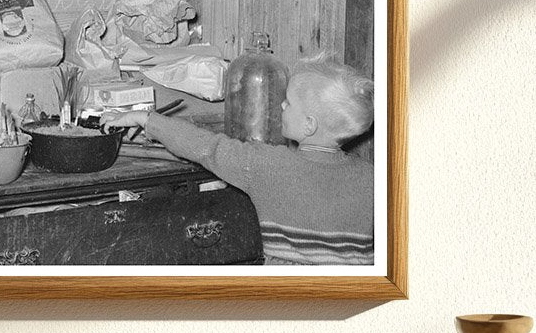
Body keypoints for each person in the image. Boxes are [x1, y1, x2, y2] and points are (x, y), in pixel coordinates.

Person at [102, 56, 375, 265]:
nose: (281, 105)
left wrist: (147, 120)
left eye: (289, 102)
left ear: (309, 125)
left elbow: (207, 147)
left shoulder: (269, 166)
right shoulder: (371, 178)